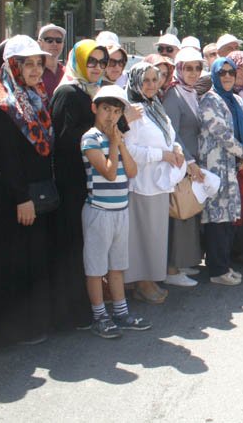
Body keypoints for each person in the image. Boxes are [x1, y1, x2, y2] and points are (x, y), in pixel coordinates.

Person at [0, 35, 56, 346]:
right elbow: (7, 159)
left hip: (33, 191)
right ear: (13, 65)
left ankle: (32, 323)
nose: (36, 69)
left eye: (39, 63)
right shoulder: (3, 103)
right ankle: (11, 331)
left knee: (31, 258)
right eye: (28, 64)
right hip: (14, 196)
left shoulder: (34, 95)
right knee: (13, 260)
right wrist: (22, 198)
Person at [80, 86, 150, 338]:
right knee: (96, 268)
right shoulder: (90, 138)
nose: (110, 116)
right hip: (99, 211)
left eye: (116, 111)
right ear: (95, 109)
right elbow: (109, 173)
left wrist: (119, 143)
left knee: (117, 267)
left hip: (120, 209)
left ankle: (121, 313)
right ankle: (99, 316)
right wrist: (112, 142)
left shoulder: (117, 137)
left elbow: (131, 171)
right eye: (106, 109)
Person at [50, 39, 110, 330]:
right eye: (92, 62)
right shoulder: (68, 92)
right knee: (73, 247)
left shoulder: (95, 92)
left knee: (89, 247)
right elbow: (62, 140)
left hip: (92, 182)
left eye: (102, 62)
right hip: (71, 182)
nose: (97, 67)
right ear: (79, 62)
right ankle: (70, 312)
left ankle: (88, 305)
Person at [123, 62, 183, 303]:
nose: (150, 85)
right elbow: (130, 149)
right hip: (142, 182)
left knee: (155, 234)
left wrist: (176, 149)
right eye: (145, 80)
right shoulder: (134, 109)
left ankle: (149, 280)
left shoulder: (154, 105)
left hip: (159, 181)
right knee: (142, 235)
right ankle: (142, 283)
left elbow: (168, 135)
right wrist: (163, 155)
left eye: (154, 80)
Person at [198, 58, 243, 285]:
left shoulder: (237, 100)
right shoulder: (209, 99)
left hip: (234, 166)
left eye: (231, 72)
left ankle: (224, 265)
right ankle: (217, 270)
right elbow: (221, 133)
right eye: (222, 73)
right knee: (217, 219)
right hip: (216, 167)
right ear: (214, 76)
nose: (228, 76)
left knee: (230, 218)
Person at [161, 47, 207, 288]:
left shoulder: (190, 92)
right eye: (188, 67)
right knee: (178, 213)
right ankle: (171, 267)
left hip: (190, 164)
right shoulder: (173, 95)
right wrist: (189, 162)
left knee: (187, 213)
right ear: (179, 69)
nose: (193, 72)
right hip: (180, 165)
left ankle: (182, 261)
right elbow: (172, 134)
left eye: (197, 67)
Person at [38, 23, 67, 94]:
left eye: (58, 40)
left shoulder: (67, 72)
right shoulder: (35, 72)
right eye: (49, 40)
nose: (54, 44)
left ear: (63, 44)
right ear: (39, 43)